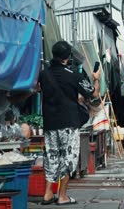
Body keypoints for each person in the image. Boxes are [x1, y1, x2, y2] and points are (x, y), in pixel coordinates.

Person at [38, 41, 100, 206]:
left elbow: (37, 88)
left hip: (50, 123)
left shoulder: (44, 74)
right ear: (68, 57)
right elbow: (93, 94)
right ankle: (62, 196)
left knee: (51, 156)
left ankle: (47, 194)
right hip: (69, 123)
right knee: (68, 158)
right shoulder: (73, 74)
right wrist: (96, 79)